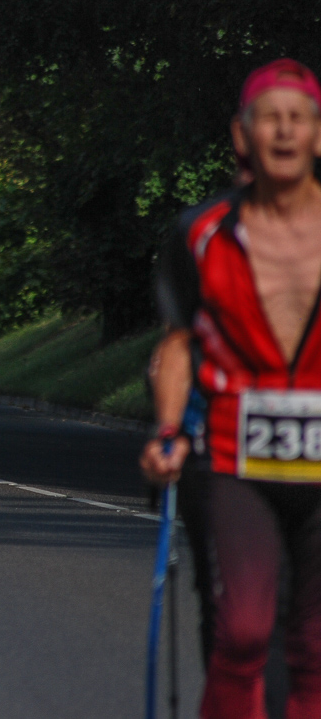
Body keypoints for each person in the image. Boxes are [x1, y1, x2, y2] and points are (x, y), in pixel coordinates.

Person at [141, 58, 321, 719]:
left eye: (297, 119)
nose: (283, 133)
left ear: (318, 136)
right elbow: (179, 342)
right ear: (241, 135)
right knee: (242, 629)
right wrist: (167, 432)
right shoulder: (200, 233)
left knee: (313, 646)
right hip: (232, 458)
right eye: (268, 118)